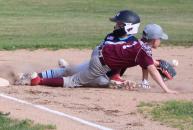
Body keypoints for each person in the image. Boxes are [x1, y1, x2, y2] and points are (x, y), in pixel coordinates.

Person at [15, 23, 178, 94]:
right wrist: (166, 89)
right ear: (154, 39)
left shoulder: (139, 44)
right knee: (73, 82)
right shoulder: (143, 51)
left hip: (100, 52)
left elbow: (145, 65)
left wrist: (145, 82)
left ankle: (114, 79)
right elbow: (151, 68)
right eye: (160, 39)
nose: (161, 41)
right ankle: (38, 81)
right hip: (100, 64)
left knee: (75, 71)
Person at [15, 10, 142, 88]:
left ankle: (38, 80)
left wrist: (116, 75)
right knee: (68, 70)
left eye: (120, 24)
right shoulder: (111, 36)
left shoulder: (133, 43)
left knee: (73, 81)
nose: (116, 26)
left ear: (129, 27)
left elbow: (129, 61)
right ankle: (34, 76)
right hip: (96, 67)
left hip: (102, 76)